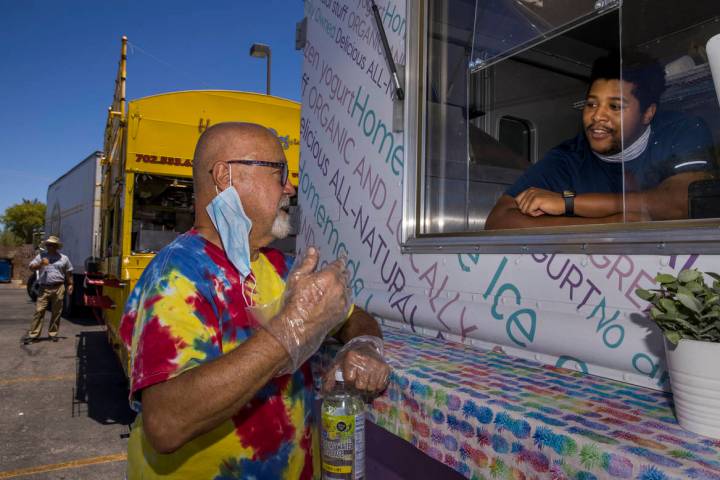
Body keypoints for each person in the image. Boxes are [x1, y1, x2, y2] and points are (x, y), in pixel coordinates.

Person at [120, 122, 391, 479]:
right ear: (224, 176)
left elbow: (355, 317)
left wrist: (364, 344)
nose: (290, 187)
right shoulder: (177, 273)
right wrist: (292, 330)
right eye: (279, 172)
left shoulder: (282, 268)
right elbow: (165, 422)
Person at [485, 52, 716, 230]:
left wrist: (568, 203)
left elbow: (681, 203)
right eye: (591, 104)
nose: (597, 116)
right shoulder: (568, 157)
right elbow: (498, 220)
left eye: (614, 106)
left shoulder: (680, 130)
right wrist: (612, 224)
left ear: (648, 113)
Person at [24, 235, 73, 343]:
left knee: (56, 312)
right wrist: (40, 264)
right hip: (44, 288)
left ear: (56, 246)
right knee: (39, 311)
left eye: (51, 245)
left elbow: (68, 272)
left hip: (59, 287)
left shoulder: (64, 258)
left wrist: (70, 284)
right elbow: (31, 267)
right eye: (48, 244)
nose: (49, 246)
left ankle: (53, 334)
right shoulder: (41, 256)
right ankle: (34, 335)